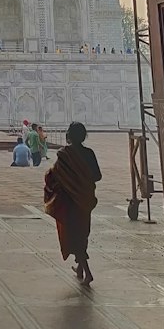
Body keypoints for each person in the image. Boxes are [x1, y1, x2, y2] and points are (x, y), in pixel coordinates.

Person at [43, 121, 102, 286]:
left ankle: (87, 272)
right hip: (84, 199)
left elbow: (53, 177)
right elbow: (97, 176)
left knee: (74, 235)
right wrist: (81, 181)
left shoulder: (65, 155)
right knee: (82, 233)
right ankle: (80, 269)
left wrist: (69, 181)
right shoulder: (89, 153)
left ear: (68, 136)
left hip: (70, 201)